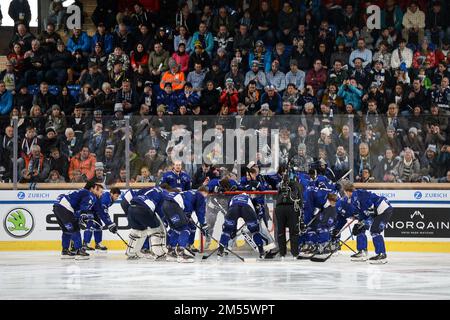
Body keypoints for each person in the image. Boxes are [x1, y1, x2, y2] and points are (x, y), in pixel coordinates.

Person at [342, 181, 393, 264]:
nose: (345, 195)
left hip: (384, 210)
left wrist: (365, 222)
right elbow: (363, 213)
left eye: (345, 193)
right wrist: (360, 223)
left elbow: (371, 211)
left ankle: (382, 254)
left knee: (375, 231)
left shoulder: (359, 194)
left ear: (347, 191)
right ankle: (362, 251)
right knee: (360, 228)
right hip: (378, 211)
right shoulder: (355, 198)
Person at [52, 181, 104, 259]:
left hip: (57, 206)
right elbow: (84, 206)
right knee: (75, 228)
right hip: (65, 207)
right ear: (92, 188)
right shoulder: (89, 194)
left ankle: (65, 250)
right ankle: (78, 250)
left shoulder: (81, 191)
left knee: (66, 230)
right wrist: (83, 215)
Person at [217, 192, 270, 259]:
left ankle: (220, 250)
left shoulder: (233, 198)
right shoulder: (249, 198)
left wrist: (233, 230)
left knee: (226, 231)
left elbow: (229, 211)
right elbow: (256, 210)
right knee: (255, 231)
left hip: (233, 208)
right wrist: (255, 221)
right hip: (247, 209)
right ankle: (261, 251)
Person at [125, 185, 168, 260]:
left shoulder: (149, 188)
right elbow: (160, 210)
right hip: (144, 209)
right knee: (157, 230)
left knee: (138, 230)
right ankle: (159, 253)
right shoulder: (164, 193)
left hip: (131, 208)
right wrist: (163, 221)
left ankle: (131, 252)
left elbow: (128, 197)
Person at [275, 167, 303, 260]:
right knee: (290, 231)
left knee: (285, 231)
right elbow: (300, 198)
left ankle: (285, 253)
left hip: (284, 208)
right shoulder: (283, 184)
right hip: (288, 208)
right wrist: (300, 209)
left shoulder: (283, 184)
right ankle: (292, 253)